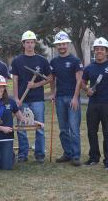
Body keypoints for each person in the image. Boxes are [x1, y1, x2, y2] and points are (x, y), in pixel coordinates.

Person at [11, 30, 52, 163]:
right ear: (23, 44)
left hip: (38, 99)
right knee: (22, 127)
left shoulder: (42, 60)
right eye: (27, 42)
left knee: (39, 127)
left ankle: (39, 154)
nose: (29, 45)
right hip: (22, 100)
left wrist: (36, 85)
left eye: (31, 42)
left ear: (35, 44)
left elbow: (50, 78)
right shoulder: (17, 61)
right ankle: (23, 154)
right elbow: (15, 80)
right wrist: (16, 98)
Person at [50, 31, 83, 166]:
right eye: (59, 44)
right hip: (59, 98)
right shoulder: (54, 61)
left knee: (74, 128)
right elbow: (52, 79)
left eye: (63, 44)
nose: (61, 46)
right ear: (57, 46)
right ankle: (67, 153)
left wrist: (75, 98)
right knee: (63, 129)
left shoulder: (75, 61)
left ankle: (75, 156)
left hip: (72, 98)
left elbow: (79, 80)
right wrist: (52, 93)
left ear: (67, 44)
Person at [81, 37, 108, 169]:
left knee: (107, 132)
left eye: (102, 49)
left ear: (106, 51)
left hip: (107, 104)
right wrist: (87, 89)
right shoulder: (89, 68)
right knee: (92, 131)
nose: (99, 51)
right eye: (97, 49)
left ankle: (107, 161)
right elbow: (82, 82)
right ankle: (94, 158)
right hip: (93, 104)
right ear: (94, 51)